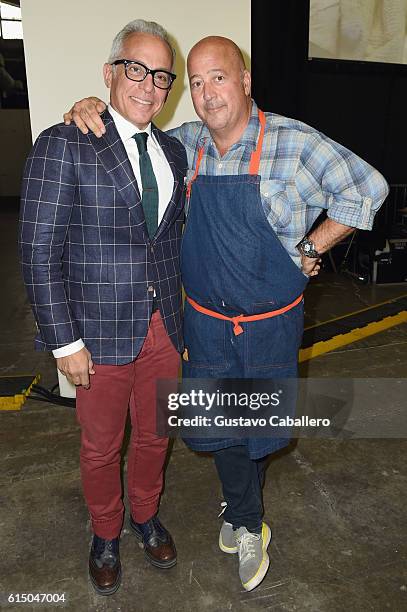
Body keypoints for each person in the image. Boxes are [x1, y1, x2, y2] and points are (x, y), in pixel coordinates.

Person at [63, 35, 389, 592]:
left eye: (219, 77)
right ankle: (244, 516)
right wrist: (91, 106)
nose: (207, 92)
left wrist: (313, 248)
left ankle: (243, 511)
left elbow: (369, 188)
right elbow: (129, 137)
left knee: (254, 426)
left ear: (245, 80)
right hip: (206, 323)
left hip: (270, 322)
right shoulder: (183, 145)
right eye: (195, 81)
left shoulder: (293, 142)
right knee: (223, 424)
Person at [19, 20, 187, 596]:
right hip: (94, 333)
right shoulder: (65, 141)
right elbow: (38, 250)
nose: (149, 85)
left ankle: (144, 515)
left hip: (164, 323)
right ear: (111, 72)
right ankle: (106, 531)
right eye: (136, 69)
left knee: (156, 433)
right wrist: (64, 341)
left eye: (161, 76)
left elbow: (166, 241)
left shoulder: (173, 150)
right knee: (100, 444)